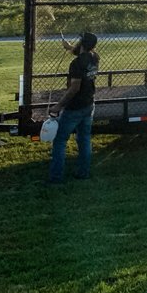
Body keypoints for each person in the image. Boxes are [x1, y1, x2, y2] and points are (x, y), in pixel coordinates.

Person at [48, 32, 99, 184]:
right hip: (89, 104)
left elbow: (74, 88)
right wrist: (68, 47)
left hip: (74, 108)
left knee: (60, 140)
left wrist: (58, 106)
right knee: (84, 139)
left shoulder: (76, 64)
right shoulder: (95, 57)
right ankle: (83, 173)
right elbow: (80, 53)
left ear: (82, 43)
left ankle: (55, 178)